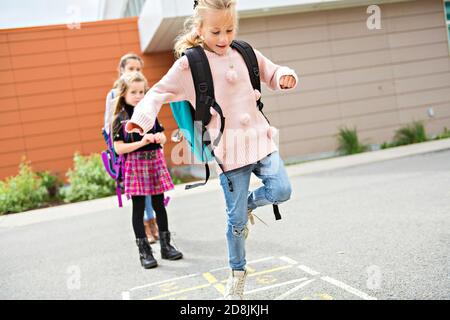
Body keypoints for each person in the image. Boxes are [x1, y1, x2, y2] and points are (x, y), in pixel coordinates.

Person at [125, 0, 297, 297]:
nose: (223, 38)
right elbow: (158, 92)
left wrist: (284, 76)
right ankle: (238, 272)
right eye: (215, 31)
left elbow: (271, 71)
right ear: (199, 29)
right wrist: (141, 120)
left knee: (282, 189)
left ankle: (250, 204)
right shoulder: (189, 65)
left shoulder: (244, 52)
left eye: (229, 29)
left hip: (262, 139)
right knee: (236, 223)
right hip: (229, 153)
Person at [112, 72, 183, 269]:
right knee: (139, 208)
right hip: (135, 165)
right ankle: (145, 253)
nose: (138, 95)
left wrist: (161, 137)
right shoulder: (121, 118)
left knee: (160, 205)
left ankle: (166, 247)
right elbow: (118, 148)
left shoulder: (149, 112)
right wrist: (142, 142)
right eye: (133, 92)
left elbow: (161, 134)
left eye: (142, 91)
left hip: (154, 162)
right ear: (124, 94)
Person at [104, 53, 159, 243]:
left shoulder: (144, 93)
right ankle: (145, 225)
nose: (135, 72)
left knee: (152, 190)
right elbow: (108, 126)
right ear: (121, 70)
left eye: (138, 69)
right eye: (131, 69)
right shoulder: (114, 95)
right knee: (139, 193)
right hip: (128, 150)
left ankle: (152, 222)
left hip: (147, 152)